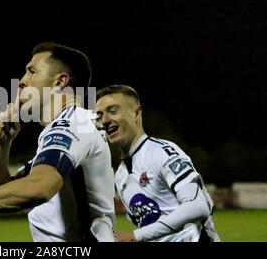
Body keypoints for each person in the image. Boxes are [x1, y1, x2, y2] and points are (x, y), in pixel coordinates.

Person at [0, 42, 116, 242]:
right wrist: (1, 145)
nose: (22, 81)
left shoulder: (72, 123)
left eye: (31, 71)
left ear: (60, 82)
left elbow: (39, 187)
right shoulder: (70, 128)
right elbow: (0, 192)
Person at [95, 85, 221, 242]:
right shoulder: (120, 175)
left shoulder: (161, 152)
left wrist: (134, 236)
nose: (105, 120)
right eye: (99, 116)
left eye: (113, 111)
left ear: (136, 112)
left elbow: (198, 206)